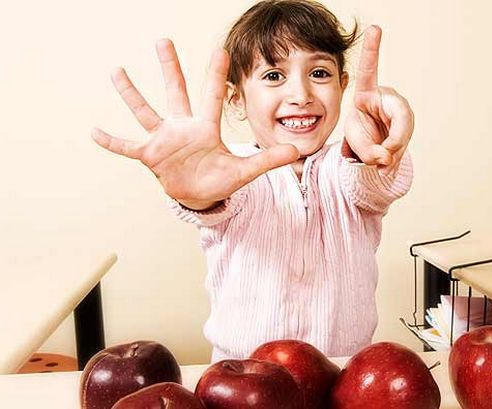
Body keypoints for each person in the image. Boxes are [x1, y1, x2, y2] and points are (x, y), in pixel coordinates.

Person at [92, 0, 414, 362]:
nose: (301, 95)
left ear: (343, 86)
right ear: (236, 99)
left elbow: (377, 183)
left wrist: (379, 142)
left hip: (343, 376)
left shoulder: (348, 167)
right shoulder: (231, 174)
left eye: (319, 73)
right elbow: (209, 202)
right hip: (242, 380)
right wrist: (196, 193)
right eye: (274, 76)